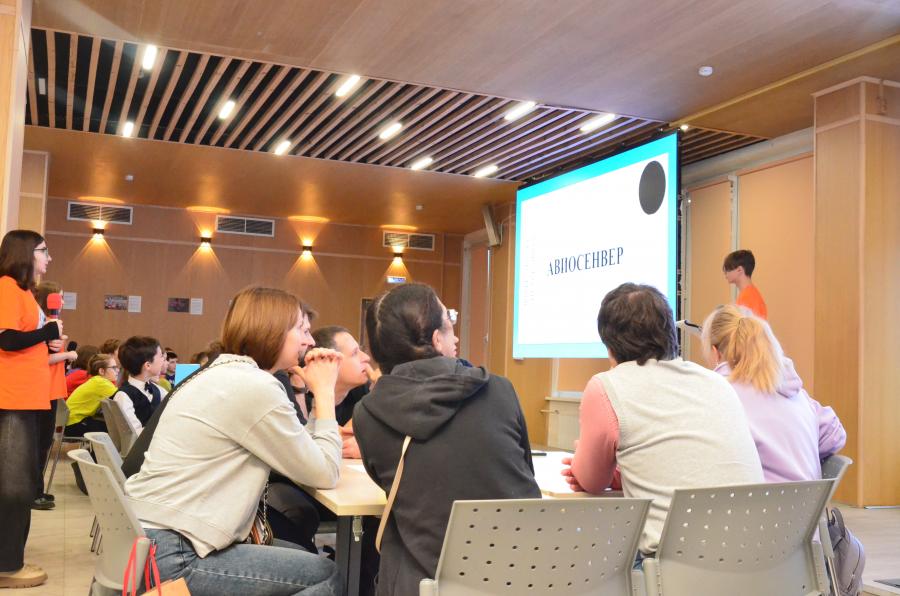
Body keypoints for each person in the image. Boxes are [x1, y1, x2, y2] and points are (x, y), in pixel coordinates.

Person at [124, 286, 343, 595]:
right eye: (302, 330)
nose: (310, 341)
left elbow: (302, 450)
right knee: (327, 575)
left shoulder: (220, 374)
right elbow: (324, 472)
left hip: (148, 539)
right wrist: (325, 393)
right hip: (175, 555)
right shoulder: (255, 386)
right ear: (272, 330)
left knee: (299, 553)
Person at [354, 282, 541, 595]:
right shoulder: (499, 389)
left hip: (428, 583)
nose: (455, 338)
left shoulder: (367, 413)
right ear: (436, 339)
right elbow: (524, 472)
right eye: (450, 324)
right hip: (523, 576)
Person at [562, 282, 764, 557]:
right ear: (670, 332)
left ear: (609, 345)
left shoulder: (606, 387)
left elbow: (592, 482)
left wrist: (584, 464)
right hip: (757, 557)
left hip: (677, 567)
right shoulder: (716, 382)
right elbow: (687, 458)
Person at [702, 304, 846, 481]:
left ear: (716, 353)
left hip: (750, 498)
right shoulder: (794, 391)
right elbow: (835, 435)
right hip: (808, 498)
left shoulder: (716, 393)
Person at [0, 230, 61, 589]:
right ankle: (7, 566)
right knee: (14, 486)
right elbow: (6, 339)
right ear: (25, 253)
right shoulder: (7, 288)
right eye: (43, 251)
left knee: (21, 484)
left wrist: (46, 338)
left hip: (26, 397)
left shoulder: (24, 293)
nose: (48, 258)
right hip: (12, 399)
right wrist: (45, 333)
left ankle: (11, 560)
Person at [32, 281, 77, 510]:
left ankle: (36, 489)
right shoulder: (45, 325)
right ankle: (33, 492)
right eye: (60, 297)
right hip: (42, 390)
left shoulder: (50, 323)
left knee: (43, 443)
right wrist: (68, 354)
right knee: (39, 444)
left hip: (49, 389)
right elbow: (43, 358)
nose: (63, 301)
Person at [112, 336, 168, 434]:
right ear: (148, 365)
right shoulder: (123, 396)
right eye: (161, 356)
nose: (163, 360)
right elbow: (133, 434)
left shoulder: (158, 390)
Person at [64, 354, 120, 437]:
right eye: (114, 367)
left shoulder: (97, 380)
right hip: (75, 424)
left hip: (70, 422)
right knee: (115, 430)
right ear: (102, 371)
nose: (118, 370)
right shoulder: (102, 383)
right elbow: (123, 396)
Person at [723, 249, 767, 319]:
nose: (725, 274)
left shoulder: (747, 298)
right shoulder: (751, 294)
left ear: (739, 270)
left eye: (727, 270)